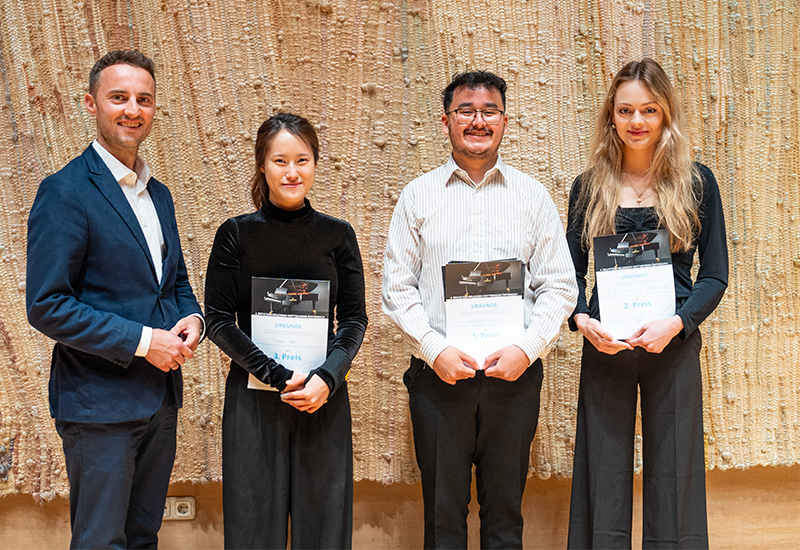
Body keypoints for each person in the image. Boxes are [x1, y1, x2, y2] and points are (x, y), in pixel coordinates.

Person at [382, 71, 578, 549]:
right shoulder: (417, 196)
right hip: (438, 379)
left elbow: (559, 285)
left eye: (489, 111)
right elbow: (397, 289)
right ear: (445, 121)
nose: (478, 121)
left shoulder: (532, 196)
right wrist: (435, 350)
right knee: (443, 521)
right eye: (465, 111)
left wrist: (527, 349)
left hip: (513, 380)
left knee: (505, 518)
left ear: (505, 122)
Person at [26, 50, 204, 548]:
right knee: (101, 542)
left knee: (143, 537)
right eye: (119, 97)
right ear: (91, 104)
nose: (132, 109)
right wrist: (146, 342)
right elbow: (47, 304)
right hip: (98, 405)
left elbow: (172, 282)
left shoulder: (159, 194)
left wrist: (193, 318)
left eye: (143, 99)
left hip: (160, 400)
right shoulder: (64, 191)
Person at [565, 58, 728, 549]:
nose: (637, 121)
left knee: (676, 476)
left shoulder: (697, 183)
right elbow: (567, 274)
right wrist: (582, 320)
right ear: (611, 116)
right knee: (601, 473)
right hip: (606, 344)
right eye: (626, 110)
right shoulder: (588, 187)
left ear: (665, 114)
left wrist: (677, 323)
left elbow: (714, 275)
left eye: (649, 110)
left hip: (672, 345)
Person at [205, 112, 368, 549]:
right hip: (254, 403)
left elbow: (354, 320)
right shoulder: (236, 233)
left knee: (325, 532)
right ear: (262, 165)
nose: (291, 172)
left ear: (315, 163)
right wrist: (277, 376)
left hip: (322, 399)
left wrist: (327, 378)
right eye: (280, 161)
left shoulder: (338, 235)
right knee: (253, 532)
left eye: (302, 160)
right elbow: (217, 320)